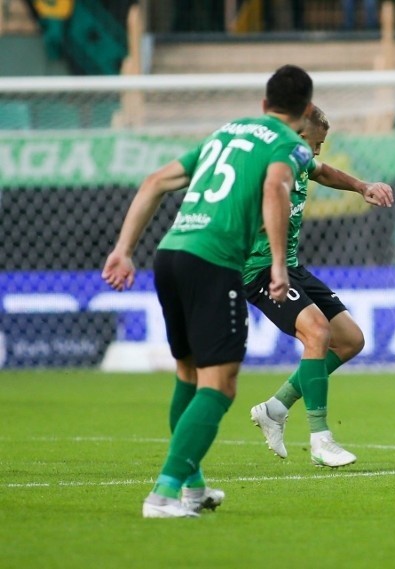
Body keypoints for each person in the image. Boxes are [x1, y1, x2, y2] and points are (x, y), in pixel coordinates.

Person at [102, 64, 315, 518]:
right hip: (214, 262)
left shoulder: (225, 133)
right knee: (221, 384)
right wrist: (279, 262)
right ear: (305, 111)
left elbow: (154, 181)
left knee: (189, 374)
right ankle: (162, 495)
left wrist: (123, 249)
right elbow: (276, 187)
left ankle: (192, 489)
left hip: (170, 254)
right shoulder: (290, 144)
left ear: (263, 104)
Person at [247, 106, 393, 467]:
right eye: (314, 143)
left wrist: (362, 187)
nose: (316, 152)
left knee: (351, 340)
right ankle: (321, 439)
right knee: (317, 331)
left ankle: (275, 408)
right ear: (296, 135)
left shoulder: (298, 160)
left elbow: (323, 172)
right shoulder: (262, 167)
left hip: (289, 266)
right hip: (258, 270)